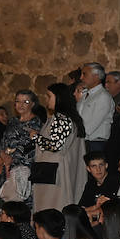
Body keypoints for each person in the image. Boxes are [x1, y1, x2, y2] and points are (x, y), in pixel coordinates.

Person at [31, 83, 86, 212]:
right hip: (56, 169)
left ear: (59, 98)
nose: (47, 100)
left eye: (49, 96)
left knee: (51, 206)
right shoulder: (69, 118)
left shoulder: (61, 119)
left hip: (54, 171)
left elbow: (55, 145)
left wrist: (35, 137)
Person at [78, 62, 113, 153]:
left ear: (96, 76)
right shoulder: (85, 94)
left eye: (84, 74)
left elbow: (90, 125)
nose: (81, 78)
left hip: (94, 143)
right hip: (83, 141)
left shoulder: (103, 97)